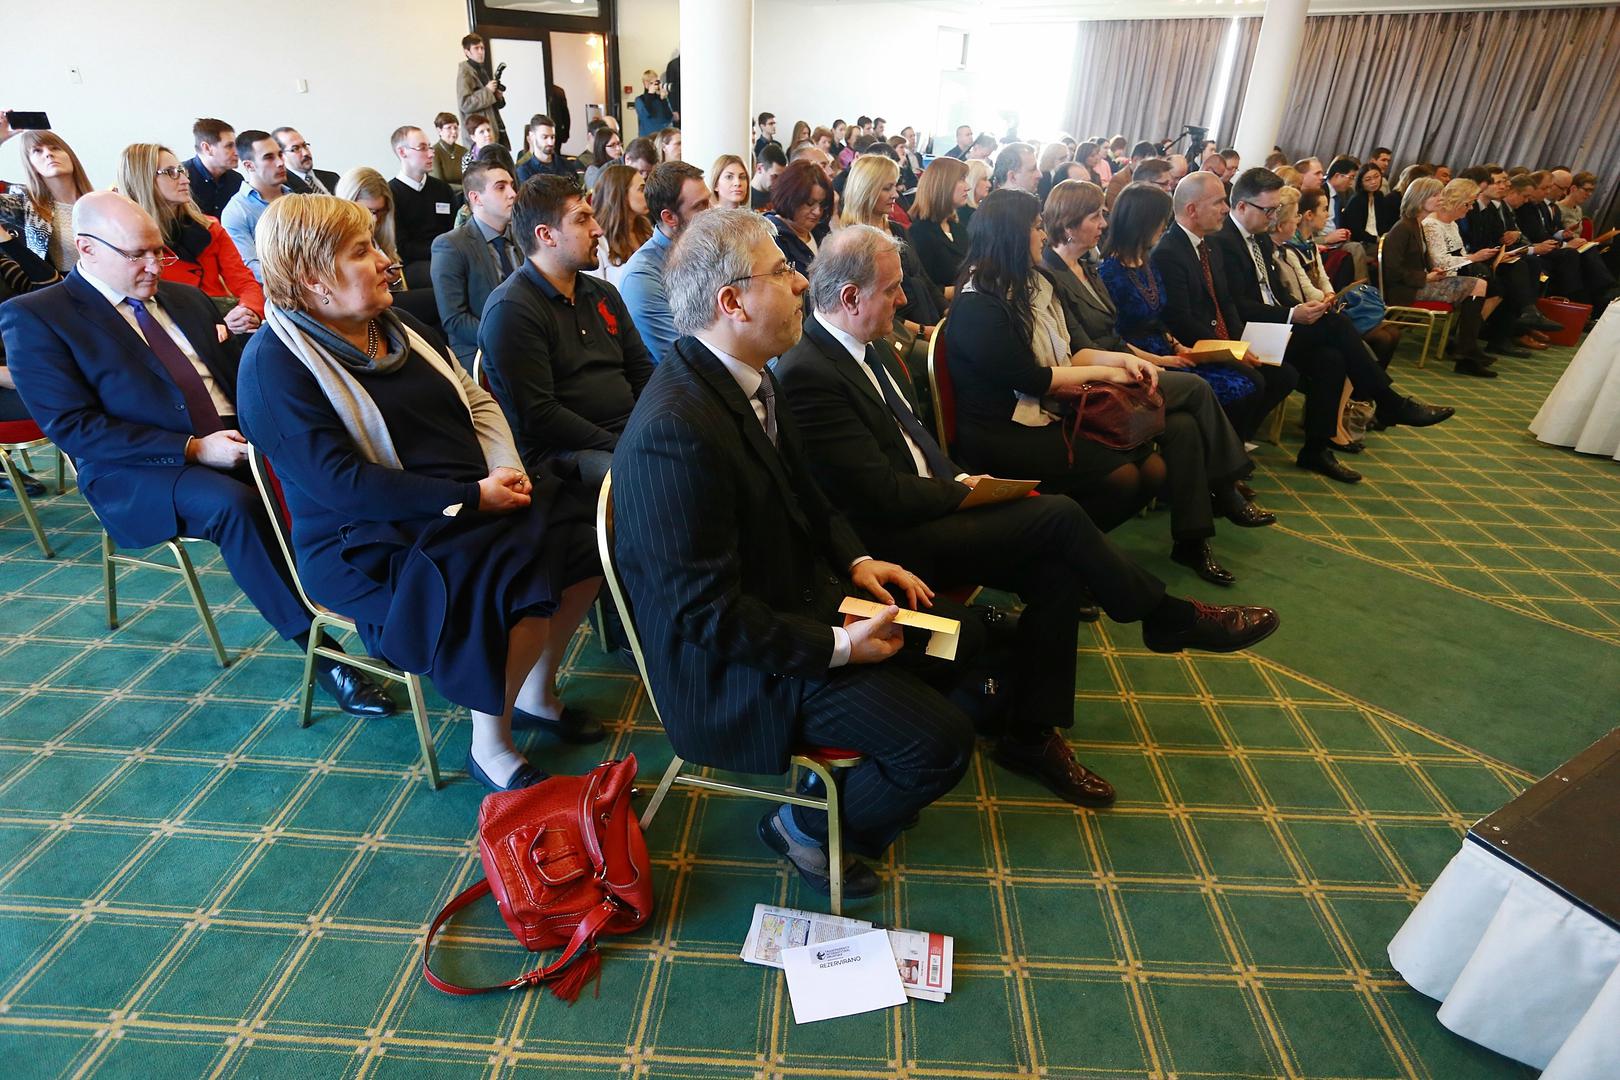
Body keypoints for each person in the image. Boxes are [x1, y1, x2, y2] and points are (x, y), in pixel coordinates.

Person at [776, 224, 1281, 801]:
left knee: (1055, 568)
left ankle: (1032, 736)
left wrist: (960, 479)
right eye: (892, 289)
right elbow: (877, 497)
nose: (905, 298)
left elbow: (916, 441)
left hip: (925, 508)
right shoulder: (810, 372)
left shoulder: (867, 346)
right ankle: (1164, 616)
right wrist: (966, 494)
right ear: (850, 297)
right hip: (886, 544)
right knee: (1058, 516)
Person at [611, 208, 970, 897]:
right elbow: (707, 618)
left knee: (962, 642)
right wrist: (839, 646)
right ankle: (802, 828)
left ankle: (851, 787)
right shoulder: (674, 431)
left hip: (788, 602)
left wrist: (858, 562)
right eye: (782, 271)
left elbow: (811, 499)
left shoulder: (749, 374)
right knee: (940, 741)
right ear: (733, 302)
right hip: (732, 669)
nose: (803, 282)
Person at [238, 193, 603, 790]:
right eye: (363, 252)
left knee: (584, 545)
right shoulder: (273, 367)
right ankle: (491, 745)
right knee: (514, 578)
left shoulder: (395, 325)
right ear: (313, 280)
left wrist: (503, 470)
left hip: (466, 498)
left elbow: (477, 401)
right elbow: (345, 486)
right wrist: (471, 497)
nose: (387, 261)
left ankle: (534, 694)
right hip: (366, 538)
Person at [0, 191, 395, 717]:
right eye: (136, 255)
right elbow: (73, 428)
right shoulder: (37, 316)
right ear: (87, 249)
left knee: (328, 470)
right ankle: (322, 653)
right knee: (236, 505)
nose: (153, 266)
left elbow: (235, 378)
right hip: (138, 469)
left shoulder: (184, 297)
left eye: (157, 252)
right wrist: (191, 448)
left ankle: (378, 617)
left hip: (236, 437)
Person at [1207, 168, 1455, 482]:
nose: (1272, 217)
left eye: (1275, 210)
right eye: (1267, 210)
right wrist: (1292, 314)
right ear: (1242, 206)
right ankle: (1388, 401)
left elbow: (1275, 290)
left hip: (1274, 324)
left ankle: (1316, 448)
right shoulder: (1223, 241)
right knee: (1335, 326)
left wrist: (1300, 308)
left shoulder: (1258, 238)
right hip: (1247, 330)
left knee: (1331, 358)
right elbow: (1235, 304)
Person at [945, 189, 1165, 531]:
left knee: (1153, 470)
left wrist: (1122, 362)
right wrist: (1109, 373)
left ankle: (1071, 544)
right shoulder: (979, 304)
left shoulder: (1035, 283)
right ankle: (1062, 545)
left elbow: (1073, 349)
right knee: (1123, 478)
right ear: (1013, 235)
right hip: (1000, 431)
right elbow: (1032, 379)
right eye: (1036, 227)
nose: (1044, 235)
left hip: (1046, 413)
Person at [478, 175, 652, 496]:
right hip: (562, 457)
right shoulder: (511, 309)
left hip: (625, 432)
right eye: (582, 219)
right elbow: (541, 416)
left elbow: (642, 372)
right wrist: (625, 443)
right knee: (650, 476)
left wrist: (654, 426)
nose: (597, 229)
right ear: (546, 235)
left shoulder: (603, 293)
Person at [1097, 181, 1274, 440]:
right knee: (1225, 386)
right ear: (1142, 224)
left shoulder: (1146, 263)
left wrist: (1177, 345)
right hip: (1137, 357)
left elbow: (1159, 318)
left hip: (1163, 345)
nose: (1164, 227)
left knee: (1245, 382)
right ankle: (1217, 453)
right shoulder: (1108, 272)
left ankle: (1222, 450)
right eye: (1161, 221)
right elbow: (1112, 337)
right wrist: (1162, 360)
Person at [117, 143, 264, 335]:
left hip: (230, 323)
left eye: (181, 171)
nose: (185, 180)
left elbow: (245, 282)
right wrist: (219, 325)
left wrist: (248, 311)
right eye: (171, 172)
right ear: (143, 180)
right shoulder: (132, 246)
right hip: (180, 334)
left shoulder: (210, 227)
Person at [1382, 177, 1496, 377]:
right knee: (1478, 285)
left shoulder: (1415, 225)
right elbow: (1392, 271)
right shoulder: (1403, 228)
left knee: (1479, 284)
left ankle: (1466, 350)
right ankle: (1466, 352)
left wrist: (1432, 272)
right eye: (1436, 195)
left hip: (1416, 283)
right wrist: (1426, 277)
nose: (1441, 199)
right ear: (1420, 198)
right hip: (1405, 289)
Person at [430, 159, 520, 370]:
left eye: (511, 185)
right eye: (500, 187)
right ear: (476, 198)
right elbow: (454, 319)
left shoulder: (522, 235)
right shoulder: (451, 245)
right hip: (481, 348)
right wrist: (506, 337)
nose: (512, 193)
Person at [621, 162, 713, 366]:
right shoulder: (642, 277)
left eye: (709, 201)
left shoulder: (709, 251)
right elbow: (685, 360)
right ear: (670, 218)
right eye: (700, 206)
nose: (712, 212)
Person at [840, 157, 942, 337]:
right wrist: (920, 331)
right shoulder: (852, 242)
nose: (895, 194)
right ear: (866, 190)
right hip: (894, 335)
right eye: (887, 188)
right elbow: (868, 306)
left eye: (895, 186)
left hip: (926, 319)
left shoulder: (898, 229)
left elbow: (922, 277)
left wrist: (946, 311)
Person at [0, 128, 94, 273]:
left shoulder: (99, 203)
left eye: (55, 148)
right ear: (31, 165)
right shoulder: (27, 205)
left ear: (70, 156)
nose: (48, 154)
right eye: (37, 151)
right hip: (65, 284)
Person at [388, 126, 457, 289]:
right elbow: (402, 247)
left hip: (449, 255)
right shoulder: (390, 194)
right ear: (402, 152)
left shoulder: (443, 189)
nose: (431, 154)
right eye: (423, 148)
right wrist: (442, 251)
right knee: (448, 274)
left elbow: (455, 229)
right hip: (416, 264)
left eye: (430, 147)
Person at [220, 130, 292, 283]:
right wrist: (296, 281)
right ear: (249, 165)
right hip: (277, 290)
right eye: (269, 157)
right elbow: (250, 266)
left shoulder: (296, 199)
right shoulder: (236, 211)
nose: (280, 162)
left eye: (280, 154)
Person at [907, 156, 970, 293]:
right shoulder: (919, 234)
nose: (968, 187)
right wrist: (962, 290)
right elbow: (924, 289)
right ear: (943, 185)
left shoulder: (958, 228)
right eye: (961, 179)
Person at [586, 165, 651, 289]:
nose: (648, 194)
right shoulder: (598, 243)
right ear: (621, 195)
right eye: (641, 189)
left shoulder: (647, 231)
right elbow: (595, 292)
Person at [335, 168, 403, 281]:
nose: (374, 219)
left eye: (379, 211)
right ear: (348, 203)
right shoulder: (335, 241)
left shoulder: (376, 234)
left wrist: (393, 279)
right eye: (368, 211)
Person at [762, 161, 828, 276]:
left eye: (822, 204)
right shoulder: (771, 239)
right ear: (790, 198)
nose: (817, 211)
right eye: (810, 203)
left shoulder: (821, 233)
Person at [182, 119, 243, 221]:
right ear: (206, 148)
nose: (237, 152)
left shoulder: (236, 180)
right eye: (229, 146)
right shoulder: (181, 178)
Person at [456, 33, 508, 148]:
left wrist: (497, 96)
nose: (480, 52)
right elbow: (465, 104)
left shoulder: (481, 70)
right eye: (476, 48)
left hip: (493, 130)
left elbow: (489, 103)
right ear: (467, 52)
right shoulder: (465, 72)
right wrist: (488, 91)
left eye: (482, 48)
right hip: (479, 137)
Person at [1339, 161, 1397, 258]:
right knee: (1391, 252)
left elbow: (1384, 222)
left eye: (1376, 176)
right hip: (1362, 242)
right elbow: (1356, 231)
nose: (1373, 182)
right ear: (1361, 182)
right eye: (1368, 179)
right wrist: (1376, 239)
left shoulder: (1379, 196)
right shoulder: (1357, 200)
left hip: (1378, 240)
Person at [274, 128, 338, 196]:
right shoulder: (283, 188)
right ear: (281, 155)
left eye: (304, 145)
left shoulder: (333, 177)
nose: (305, 153)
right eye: (295, 149)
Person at [516, 115, 578, 183]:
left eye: (552, 137)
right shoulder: (524, 171)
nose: (550, 142)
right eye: (545, 137)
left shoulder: (567, 165)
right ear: (532, 136)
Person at [429, 112, 467, 189]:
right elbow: (438, 184)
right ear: (439, 130)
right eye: (449, 128)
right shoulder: (433, 152)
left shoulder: (464, 151)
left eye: (455, 128)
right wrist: (464, 189)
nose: (454, 131)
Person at [582, 126, 625, 191]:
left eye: (618, 144)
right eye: (612, 145)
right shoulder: (593, 170)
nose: (618, 148)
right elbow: (596, 192)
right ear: (601, 148)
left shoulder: (624, 166)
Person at [958, 158, 992, 235]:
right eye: (984, 179)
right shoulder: (963, 214)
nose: (989, 185)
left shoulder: (981, 209)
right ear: (972, 181)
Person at [749, 143, 788, 210]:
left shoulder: (779, 196)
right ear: (759, 168)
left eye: (781, 177)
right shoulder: (745, 197)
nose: (778, 183)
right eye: (775, 176)